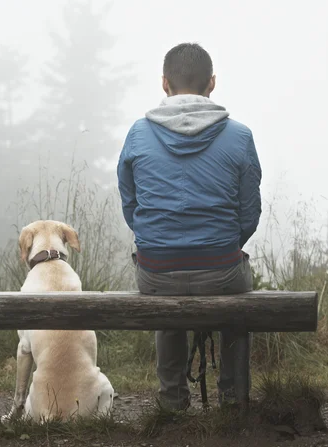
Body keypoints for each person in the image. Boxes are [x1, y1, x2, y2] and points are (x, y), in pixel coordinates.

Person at [116, 42, 262, 410]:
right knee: (236, 299)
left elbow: (130, 203)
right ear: (212, 83)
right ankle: (233, 399)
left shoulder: (137, 134)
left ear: (165, 84)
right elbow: (250, 212)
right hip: (222, 271)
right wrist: (222, 245)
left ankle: (171, 402)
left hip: (156, 271)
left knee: (165, 296)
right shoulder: (239, 136)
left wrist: (158, 240)